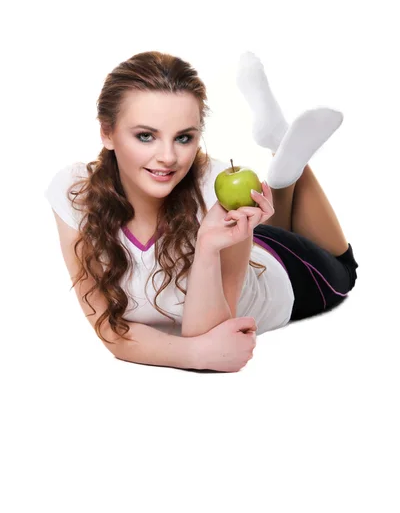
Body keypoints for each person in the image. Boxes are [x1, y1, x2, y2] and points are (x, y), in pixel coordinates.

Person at [44, 50, 358, 373]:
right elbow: (110, 329)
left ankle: (281, 148)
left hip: (281, 270)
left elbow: (210, 337)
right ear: (107, 132)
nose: (167, 156)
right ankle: (278, 144)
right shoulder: (74, 194)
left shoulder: (214, 189)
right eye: (146, 136)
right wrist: (192, 354)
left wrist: (207, 247)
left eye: (183, 138)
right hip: (241, 234)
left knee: (344, 270)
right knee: (267, 223)